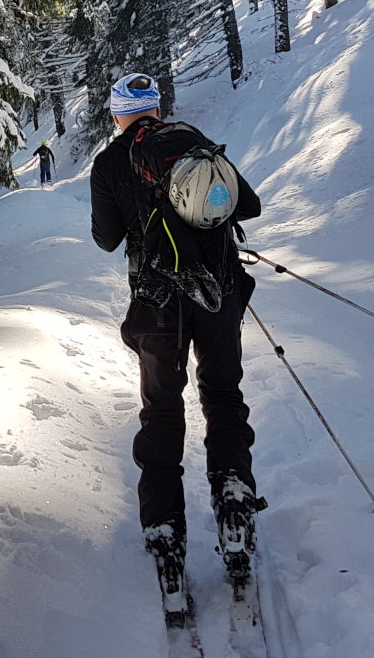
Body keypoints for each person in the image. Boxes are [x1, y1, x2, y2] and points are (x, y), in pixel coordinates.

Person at [88, 71, 264, 606]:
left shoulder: (111, 162)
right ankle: (234, 498)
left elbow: (106, 238)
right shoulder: (194, 140)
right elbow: (247, 205)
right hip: (219, 295)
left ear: (119, 114)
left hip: (158, 307)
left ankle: (165, 531)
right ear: (157, 108)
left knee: (162, 412)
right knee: (224, 399)